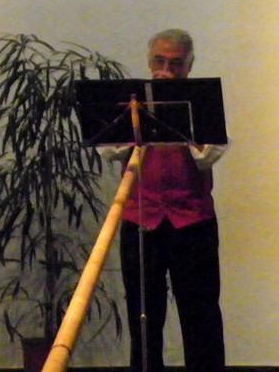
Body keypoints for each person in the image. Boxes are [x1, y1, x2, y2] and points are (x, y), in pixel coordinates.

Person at [109, 29, 227, 372]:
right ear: (149, 62)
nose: (166, 69)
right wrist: (140, 118)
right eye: (159, 62)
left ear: (189, 65)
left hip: (193, 220)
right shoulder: (133, 103)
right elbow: (110, 149)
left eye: (175, 64)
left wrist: (177, 113)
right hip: (139, 219)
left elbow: (207, 156)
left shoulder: (202, 103)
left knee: (201, 314)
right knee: (143, 315)